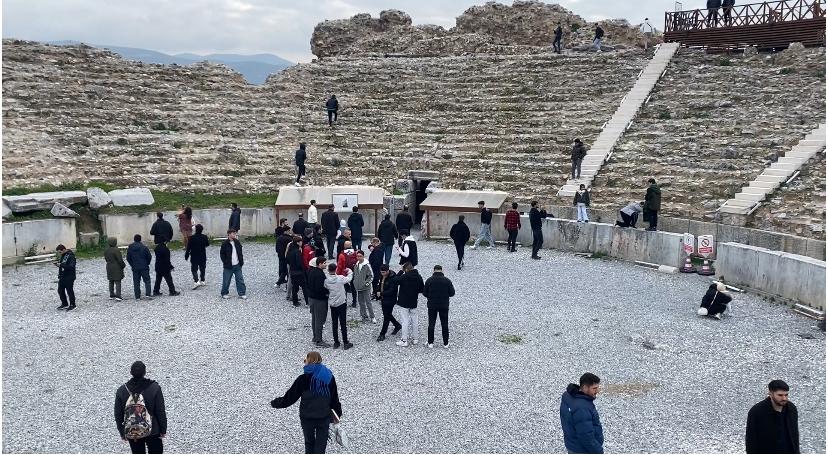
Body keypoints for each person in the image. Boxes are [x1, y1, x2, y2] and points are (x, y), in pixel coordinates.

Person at [271, 351, 343, 454]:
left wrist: (276, 403)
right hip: (323, 417)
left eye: (305, 360)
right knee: (321, 446)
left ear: (309, 361)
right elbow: (334, 398)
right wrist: (337, 414)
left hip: (307, 417)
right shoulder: (329, 377)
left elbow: (290, 398)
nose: (304, 363)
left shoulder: (303, 379)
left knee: (309, 443)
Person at [114, 361, 167, 454]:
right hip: (153, 430)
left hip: (133, 431)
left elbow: (118, 414)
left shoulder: (122, 390)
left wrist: (122, 432)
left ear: (131, 372)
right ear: (145, 372)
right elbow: (160, 411)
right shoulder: (155, 388)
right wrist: (163, 429)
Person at [746, 380, 800, 454]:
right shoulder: (757, 412)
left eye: (786, 395)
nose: (784, 398)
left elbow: (795, 436)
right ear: (770, 394)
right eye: (780, 395)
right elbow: (751, 440)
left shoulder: (791, 409)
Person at [560, 373, 604, 454]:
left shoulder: (567, 395)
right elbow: (586, 437)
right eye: (594, 388)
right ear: (584, 387)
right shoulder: (582, 408)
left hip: (572, 445)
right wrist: (598, 451)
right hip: (582, 450)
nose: (597, 391)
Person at [423, 265, 455, 349]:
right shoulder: (447, 281)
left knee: (431, 323)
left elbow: (424, 293)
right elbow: (452, 293)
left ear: (433, 270)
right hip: (444, 305)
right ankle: (446, 343)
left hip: (432, 305)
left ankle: (430, 343)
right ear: (442, 270)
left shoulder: (429, 280)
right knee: (444, 324)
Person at [325, 263, 354, 350]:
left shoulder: (326, 280)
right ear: (336, 269)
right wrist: (350, 271)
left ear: (328, 270)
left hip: (332, 303)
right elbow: (349, 278)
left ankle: (336, 342)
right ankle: (345, 342)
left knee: (334, 323)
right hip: (341, 302)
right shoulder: (340, 278)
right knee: (343, 323)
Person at [395, 262, 424, 347]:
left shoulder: (404, 276)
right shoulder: (418, 277)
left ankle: (404, 340)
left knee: (405, 321)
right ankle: (415, 338)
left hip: (404, 301)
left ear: (406, 269)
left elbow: (395, 280)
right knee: (415, 320)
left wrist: (400, 272)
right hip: (414, 301)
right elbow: (422, 289)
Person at [306, 257, 331, 348]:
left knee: (314, 319)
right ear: (319, 264)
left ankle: (315, 337)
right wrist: (327, 293)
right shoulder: (319, 274)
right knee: (319, 320)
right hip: (319, 300)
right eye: (324, 263)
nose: (326, 264)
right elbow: (320, 288)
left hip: (312, 298)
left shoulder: (310, 271)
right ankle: (319, 340)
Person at [376, 264, 403, 341]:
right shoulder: (382, 275)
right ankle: (397, 325)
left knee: (386, 317)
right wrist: (377, 291)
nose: (382, 274)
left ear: (388, 271)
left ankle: (382, 334)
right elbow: (379, 284)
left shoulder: (393, 278)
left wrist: (381, 293)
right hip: (383, 299)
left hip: (390, 300)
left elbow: (392, 291)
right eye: (381, 272)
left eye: (384, 272)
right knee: (387, 315)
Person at [219, 229, 247, 299]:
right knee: (226, 280)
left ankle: (242, 293)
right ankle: (224, 293)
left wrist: (241, 261)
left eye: (235, 233)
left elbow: (240, 252)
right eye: (233, 233)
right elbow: (222, 254)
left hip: (237, 265)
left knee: (240, 279)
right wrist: (225, 262)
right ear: (229, 234)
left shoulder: (237, 242)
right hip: (228, 266)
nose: (235, 234)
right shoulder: (225, 243)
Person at [126, 235, 153, 301]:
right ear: (140, 239)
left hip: (135, 267)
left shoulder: (130, 247)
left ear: (134, 239)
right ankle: (148, 294)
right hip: (144, 266)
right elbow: (149, 257)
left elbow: (128, 258)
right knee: (147, 281)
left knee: (136, 282)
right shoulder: (144, 247)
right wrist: (147, 263)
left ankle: (137, 296)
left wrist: (132, 264)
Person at [353, 250, 376, 323]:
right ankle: (363, 316)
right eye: (357, 256)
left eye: (360, 256)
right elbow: (355, 275)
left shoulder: (367, 265)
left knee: (368, 302)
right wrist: (355, 282)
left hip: (366, 287)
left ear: (363, 256)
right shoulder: (356, 265)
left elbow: (371, 276)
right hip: (359, 287)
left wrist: (366, 283)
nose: (358, 258)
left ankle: (372, 317)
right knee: (361, 302)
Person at [185, 224, 210, 289]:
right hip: (202, 255)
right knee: (202, 268)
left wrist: (186, 255)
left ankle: (196, 281)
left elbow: (188, 247)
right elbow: (207, 244)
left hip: (194, 255)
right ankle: (202, 280)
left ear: (195, 230)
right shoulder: (204, 237)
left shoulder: (191, 238)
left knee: (194, 269)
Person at [287, 236, 308, 307]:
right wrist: (303, 269)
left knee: (294, 287)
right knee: (304, 287)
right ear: (297, 243)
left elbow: (287, 260)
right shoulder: (297, 251)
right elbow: (299, 262)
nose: (302, 242)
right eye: (301, 241)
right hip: (298, 271)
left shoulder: (290, 250)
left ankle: (295, 302)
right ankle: (307, 302)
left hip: (292, 271)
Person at [336, 240, 359, 306]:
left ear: (344, 246)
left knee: (344, 288)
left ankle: (344, 302)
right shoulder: (355, 253)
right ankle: (354, 302)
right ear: (351, 245)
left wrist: (338, 275)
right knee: (353, 287)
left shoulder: (342, 254)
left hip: (345, 273)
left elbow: (340, 266)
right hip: (353, 272)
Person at [55, 244, 77, 311]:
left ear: (64, 249)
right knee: (60, 290)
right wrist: (59, 265)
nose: (59, 253)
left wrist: (61, 265)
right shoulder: (63, 255)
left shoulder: (71, 256)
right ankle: (64, 303)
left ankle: (73, 304)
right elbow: (63, 265)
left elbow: (71, 267)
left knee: (69, 291)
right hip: (62, 276)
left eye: (60, 252)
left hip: (69, 276)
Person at [104, 237, 126, 302]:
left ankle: (111, 294)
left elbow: (106, 259)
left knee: (111, 281)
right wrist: (123, 265)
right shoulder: (116, 250)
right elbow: (120, 260)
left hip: (109, 266)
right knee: (118, 281)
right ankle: (118, 295)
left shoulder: (106, 250)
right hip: (116, 267)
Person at [275, 225, 293, 289]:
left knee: (283, 270)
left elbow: (276, 248)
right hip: (287, 257)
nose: (290, 232)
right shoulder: (289, 239)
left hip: (280, 256)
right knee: (288, 272)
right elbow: (291, 249)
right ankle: (286, 287)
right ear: (286, 231)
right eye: (289, 231)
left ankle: (279, 283)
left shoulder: (279, 238)